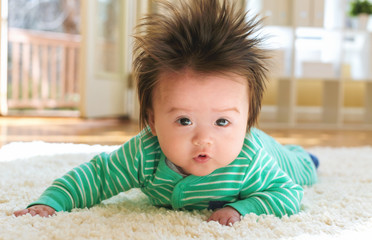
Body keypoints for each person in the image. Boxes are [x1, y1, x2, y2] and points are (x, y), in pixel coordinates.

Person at [14, 0, 318, 226]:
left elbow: (288, 194)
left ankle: (305, 156)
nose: (204, 139)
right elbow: (98, 176)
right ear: (152, 122)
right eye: (184, 120)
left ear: (247, 121)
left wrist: (243, 208)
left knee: (301, 168)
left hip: (274, 154)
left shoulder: (251, 160)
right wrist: (51, 202)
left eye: (222, 121)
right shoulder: (143, 154)